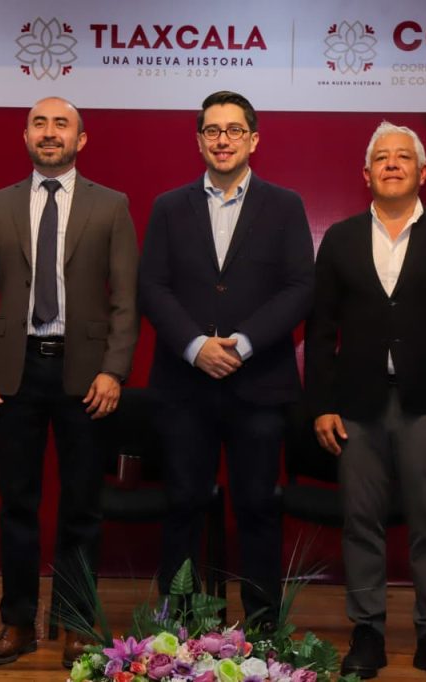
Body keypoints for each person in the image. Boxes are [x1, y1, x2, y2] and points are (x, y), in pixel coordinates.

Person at [305, 122, 426, 682]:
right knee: (360, 519)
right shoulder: (340, 238)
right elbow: (319, 329)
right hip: (356, 406)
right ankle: (367, 631)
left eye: (402, 157)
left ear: (422, 171)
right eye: (381, 158)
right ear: (365, 174)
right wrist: (321, 404)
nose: (391, 164)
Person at [0, 97, 139, 668]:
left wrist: (114, 369)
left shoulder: (111, 205)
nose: (50, 132)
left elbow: (126, 299)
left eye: (62, 124)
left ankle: (78, 623)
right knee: (17, 504)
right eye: (40, 123)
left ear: (81, 140)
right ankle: (18, 622)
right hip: (14, 374)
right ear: (26, 136)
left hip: (85, 376)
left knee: (82, 506)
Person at [139, 91, 314, 625]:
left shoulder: (285, 205)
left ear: (253, 140)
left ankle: (262, 629)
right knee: (183, 504)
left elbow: (300, 287)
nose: (223, 140)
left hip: (258, 383)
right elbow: (152, 286)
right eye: (212, 130)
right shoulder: (169, 207)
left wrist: (243, 342)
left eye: (234, 130)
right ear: (199, 141)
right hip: (184, 385)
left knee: (258, 508)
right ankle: (178, 628)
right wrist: (196, 347)